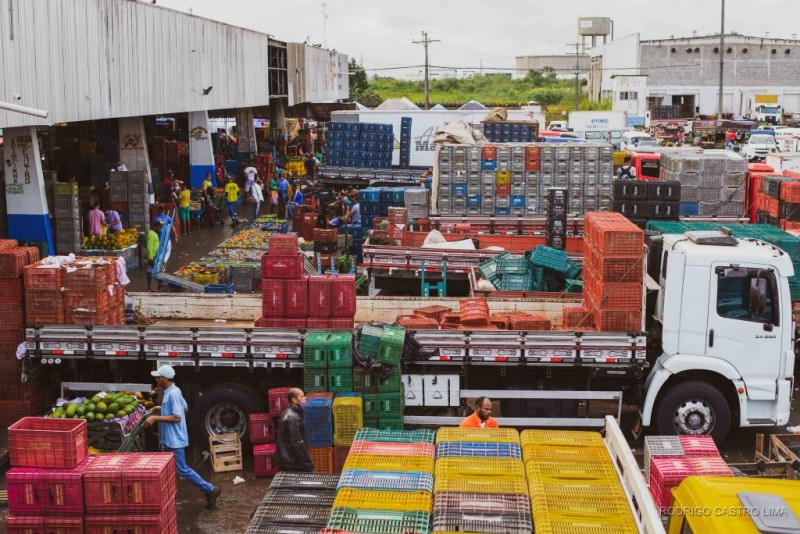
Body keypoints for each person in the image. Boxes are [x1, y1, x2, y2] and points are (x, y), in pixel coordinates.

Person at [145, 365, 221, 508]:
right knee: (166, 468)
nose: (156, 379)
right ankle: (166, 497)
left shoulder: (173, 393)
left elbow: (178, 417)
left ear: (164, 378)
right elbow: (184, 408)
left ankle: (210, 489)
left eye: (158, 377)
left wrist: (155, 418)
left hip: (175, 440)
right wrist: (162, 408)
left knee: (182, 470)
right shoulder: (172, 390)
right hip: (169, 439)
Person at [274, 388, 314, 472]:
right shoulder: (292, 417)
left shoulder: (290, 413)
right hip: (291, 462)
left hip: (289, 460)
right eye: (302, 396)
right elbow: (297, 442)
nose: (305, 398)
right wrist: (308, 464)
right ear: (294, 400)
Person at [146, 221, 162, 291]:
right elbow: (149, 247)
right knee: (152, 272)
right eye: (159, 227)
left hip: (153, 256)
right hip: (152, 256)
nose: (160, 229)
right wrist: (151, 259)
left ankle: (150, 287)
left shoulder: (153, 233)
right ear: (156, 226)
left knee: (150, 271)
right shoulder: (152, 234)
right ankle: (155, 287)